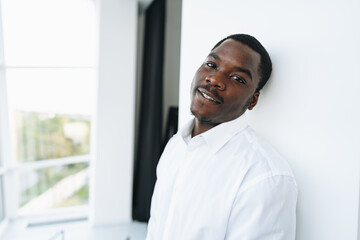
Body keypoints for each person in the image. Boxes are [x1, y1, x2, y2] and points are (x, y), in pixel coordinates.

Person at [146, 34, 297, 240]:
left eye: (237, 78)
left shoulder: (263, 175)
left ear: (252, 101)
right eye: (211, 64)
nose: (215, 79)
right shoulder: (175, 145)